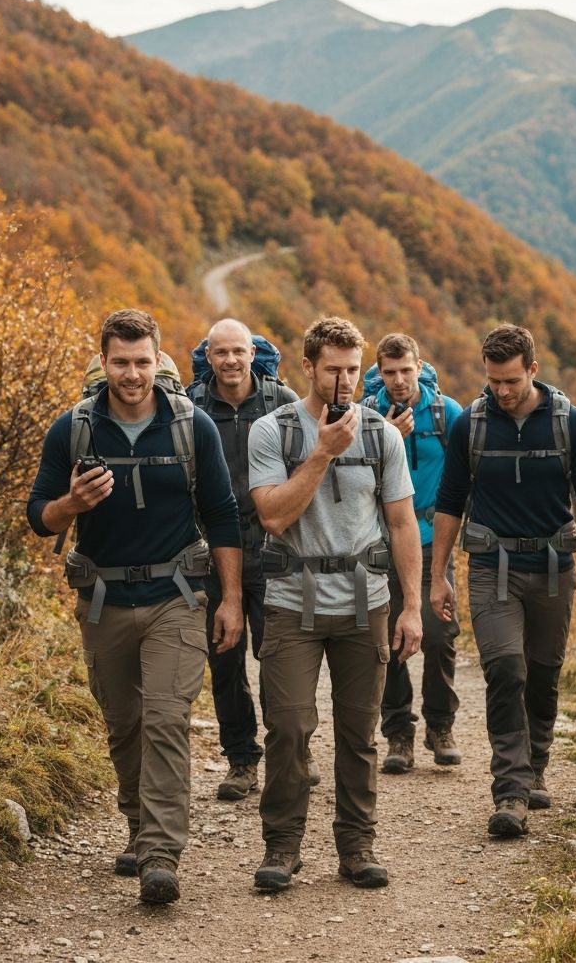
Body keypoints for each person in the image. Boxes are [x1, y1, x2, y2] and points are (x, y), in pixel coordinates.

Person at [27, 309, 242, 905]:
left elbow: (223, 515)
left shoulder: (189, 425)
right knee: (124, 725)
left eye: (142, 361)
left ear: (158, 360)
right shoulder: (71, 429)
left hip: (176, 597)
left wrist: (231, 601)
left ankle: (160, 855)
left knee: (166, 718)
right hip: (102, 601)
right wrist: (70, 504)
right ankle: (138, 826)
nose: (132, 373)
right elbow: (38, 518)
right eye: (120, 362)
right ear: (103, 362)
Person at [246, 316, 423, 891]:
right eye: (333, 370)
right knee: (290, 726)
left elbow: (401, 524)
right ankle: (282, 847)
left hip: (364, 600)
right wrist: (321, 453)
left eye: (353, 369)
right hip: (290, 601)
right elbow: (272, 515)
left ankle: (356, 845)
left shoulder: (383, 436)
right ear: (309, 367)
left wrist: (412, 606)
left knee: (359, 730)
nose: (345, 380)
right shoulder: (273, 431)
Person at [429, 323, 576, 838]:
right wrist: (439, 576)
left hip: (554, 570)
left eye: (510, 381)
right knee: (506, 668)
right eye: (493, 382)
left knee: (542, 671)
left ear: (532, 369)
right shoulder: (473, 424)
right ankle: (509, 789)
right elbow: (449, 501)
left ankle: (535, 767)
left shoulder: (570, 423)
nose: (502, 392)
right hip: (491, 568)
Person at [186, 319, 323, 800]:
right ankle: (241, 760)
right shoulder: (192, 407)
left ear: (251, 353)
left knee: (280, 661)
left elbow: (312, 467)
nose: (229, 360)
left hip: (274, 553)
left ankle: (291, 753)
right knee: (224, 662)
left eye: (237, 351)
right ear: (208, 356)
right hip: (211, 554)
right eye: (219, 352)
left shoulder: (280, 402)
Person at [360, 334, 465, 773]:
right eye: (390, 372)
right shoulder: (366, 415)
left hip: (432, 541)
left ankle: (441, 726)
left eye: (407, 371)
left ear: (420, 366)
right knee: (387, 641)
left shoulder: (448, 413)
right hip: (382, 544)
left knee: (439, 636)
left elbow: (464, 476)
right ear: (379, 372)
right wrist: (386, 436)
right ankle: (398, 734)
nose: (399, 380)